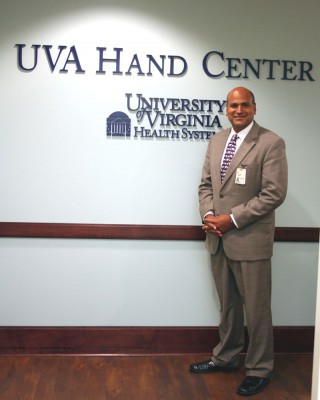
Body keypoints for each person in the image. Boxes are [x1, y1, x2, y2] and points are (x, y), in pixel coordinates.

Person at [190, 87, 288, 396]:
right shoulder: (217, 140)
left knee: (257, 310)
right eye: (233, 105)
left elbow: (273, 194)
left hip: (250, 240)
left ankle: (259, 369)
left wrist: (229, 219)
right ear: (226, 109)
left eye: (244, 105)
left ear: (254, 108)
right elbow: (206, 185)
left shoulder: (271, 143)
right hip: (217, 239)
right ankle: (226, 357)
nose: (238, 110)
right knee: (228, 306)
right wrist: (208, 214)